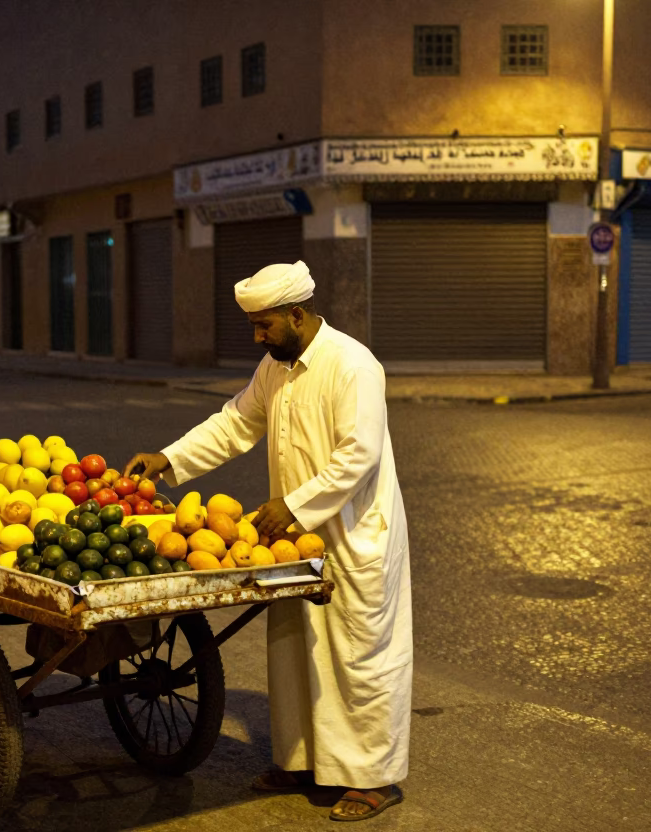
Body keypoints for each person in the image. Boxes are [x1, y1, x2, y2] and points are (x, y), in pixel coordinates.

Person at [124, 260, 411, 822]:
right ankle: (302, 762)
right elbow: (235, 423)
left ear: (297, 315)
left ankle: (374, 779)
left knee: (359, 659)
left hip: (353, 537)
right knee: (293, 648)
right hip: (291, 541)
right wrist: (169, 459)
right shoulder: (275, 367)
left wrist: (294, 506)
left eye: (264, 326)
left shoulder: (353, 365)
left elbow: (361, 455)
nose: (257, 336)